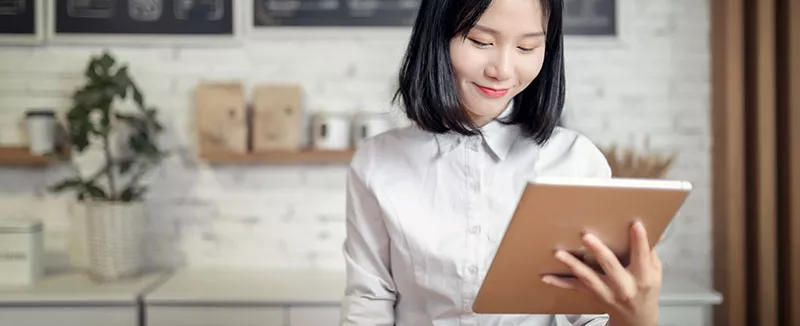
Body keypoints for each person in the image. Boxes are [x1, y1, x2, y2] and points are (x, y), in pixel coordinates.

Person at [339, 0, 663, 325]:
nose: (502, 71)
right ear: (437, 35)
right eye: (482, 42)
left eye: (527, 46)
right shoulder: (377, 162)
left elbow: (591, 315)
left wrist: (638, 316)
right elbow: (369, 300)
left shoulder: (576, 162)